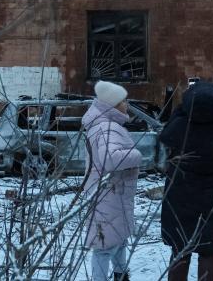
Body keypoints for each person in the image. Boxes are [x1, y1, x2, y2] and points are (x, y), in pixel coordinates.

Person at [160, 81, 213, 281]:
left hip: (180, 200)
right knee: (209, 251)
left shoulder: (178, 128)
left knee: (180, 248)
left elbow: (165, 134)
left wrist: (181, 109)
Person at [83, 81, 141, 281]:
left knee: (118, 239)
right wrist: (136, 155)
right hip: (109, 194)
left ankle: (120, 275)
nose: (127, 104)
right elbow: (111, 159)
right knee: (104, 247)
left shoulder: (105, 125)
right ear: (113, 105)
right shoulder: (107, 128)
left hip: (111, 194)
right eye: (123, 101)